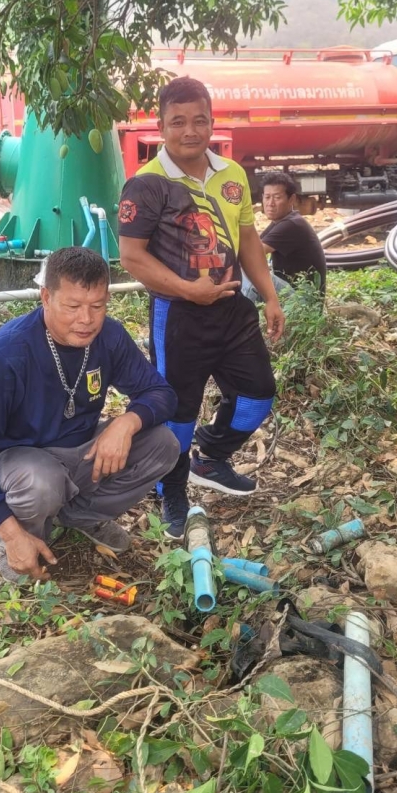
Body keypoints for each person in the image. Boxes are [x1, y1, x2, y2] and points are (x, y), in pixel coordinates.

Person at [118, 76, 285, 540]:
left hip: (232, 308)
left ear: (212, 122)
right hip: (178, 316)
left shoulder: (232, 174)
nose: (190, 131)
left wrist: (269, 295)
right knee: (177, 411)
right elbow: (132, 257)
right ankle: (169, 489)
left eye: (199, 120)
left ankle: (210, 458)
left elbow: (247, 238)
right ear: (160, 127)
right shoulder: (146, 185)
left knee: (257, 395)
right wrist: (187, 290)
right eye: (177, 122)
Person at [0, 247, 180, 581]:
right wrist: (8, 531)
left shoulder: (109, 336)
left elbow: (161, 393)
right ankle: (24, 537)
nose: (86, 319)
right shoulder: (6, 354)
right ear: (46, 297)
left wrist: (127, 423)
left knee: (163, 444)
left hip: (80, 449)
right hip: (23, 461)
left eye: (97, 306)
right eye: (72, 306)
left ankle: (81, 517)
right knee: (41, 482)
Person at [242, 170, 327, 301]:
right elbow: (252, 244)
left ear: (291, 199)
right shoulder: (281, 221)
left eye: (277, 198)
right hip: (292, 293)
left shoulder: (292, 225)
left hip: (304, 301)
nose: (270, 203)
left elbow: (251, 254)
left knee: (250, 273)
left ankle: (242, 313)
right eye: (267, 197)